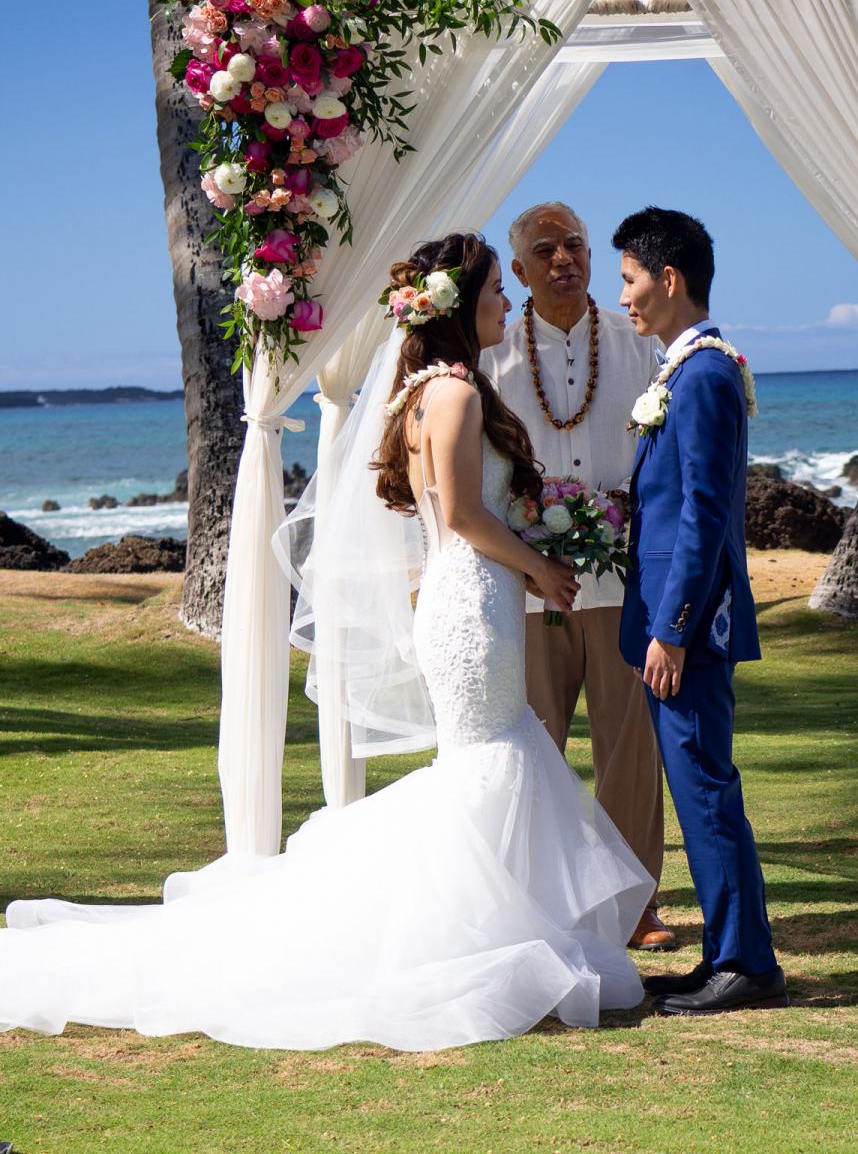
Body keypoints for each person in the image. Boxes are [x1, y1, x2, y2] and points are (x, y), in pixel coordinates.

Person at [0, 233, 654, 1052]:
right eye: (495, 289)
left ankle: (497, 925)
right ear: (460, 306)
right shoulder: (455, 393)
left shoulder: (426, 388)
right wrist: (541, 568)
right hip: (469, 604)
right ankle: (463, 937)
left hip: (469, 598)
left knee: (492, 757)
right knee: (491, 759)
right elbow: (462, 514)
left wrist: (522, 565)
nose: (505, 303)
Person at [481, 202, 675, 954]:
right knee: (533, 750)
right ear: (519, 269)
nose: (563, 258)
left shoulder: (638, 341)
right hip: (528, 585)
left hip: (624, 583)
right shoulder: (493, 354)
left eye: (575, 245)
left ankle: (635, 905)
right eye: (545, 249)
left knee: (632, 748)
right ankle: (538, 905)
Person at [614, 206, 788, 1015]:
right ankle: (726, 953)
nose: (624, 297)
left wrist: (673, 630)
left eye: (629, 280)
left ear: (669, 277)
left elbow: (705, 515)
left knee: (707, 790)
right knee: (698, 790)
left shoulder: (707, 374)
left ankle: (747, 964)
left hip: (689, 631)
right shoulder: (685, 370)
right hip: (672, 623)